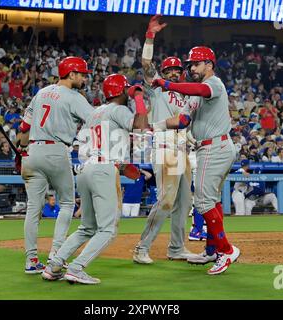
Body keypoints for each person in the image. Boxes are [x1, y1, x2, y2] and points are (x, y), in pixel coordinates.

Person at [42, 73, 149, 284]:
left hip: (85, 169)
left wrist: (122, 164)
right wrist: (138, 98)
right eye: (126, 89)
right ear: (121, 91)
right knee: (108, 229)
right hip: (103, 169)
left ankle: (54, 265)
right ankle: (76, 268)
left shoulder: (93, 113)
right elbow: (140, 126)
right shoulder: (119, 109)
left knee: (86, 227)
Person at [153, 45, 240, 275]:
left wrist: (168, 84)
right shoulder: (196, 94)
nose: (191, 67)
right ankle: (212, 249)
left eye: (196, 63)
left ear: (209, 65)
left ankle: (225, 250)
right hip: (212, 147)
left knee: (203, 203)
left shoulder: (213, 84)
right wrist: (155, 126)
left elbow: (199, 90)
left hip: (215, 147)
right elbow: (182, 121)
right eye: (190, 64)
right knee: (212, 200)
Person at [18, 56, 94, 274]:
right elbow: (96, 119)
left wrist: (22, 152)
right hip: (56, 150)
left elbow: (24, 127)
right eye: (81, 74)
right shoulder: (73, 96)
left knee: (33, 208)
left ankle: (31, 260)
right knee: (68, 203)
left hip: (32, 151)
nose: (84, 78)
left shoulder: (41, 92)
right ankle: (56, 254)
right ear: (71, 74)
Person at [133, 14, 195, 265]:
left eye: (176, 70)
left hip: (183, 148)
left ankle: (177, 248)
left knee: (183, 202)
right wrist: (150, 36)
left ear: (182, 73)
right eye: (168, 69)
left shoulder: (188, 95)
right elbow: (146, 62)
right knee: (167, 200)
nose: (171, 72)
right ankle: (141, 247)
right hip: (166, 146)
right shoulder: (158, 88)